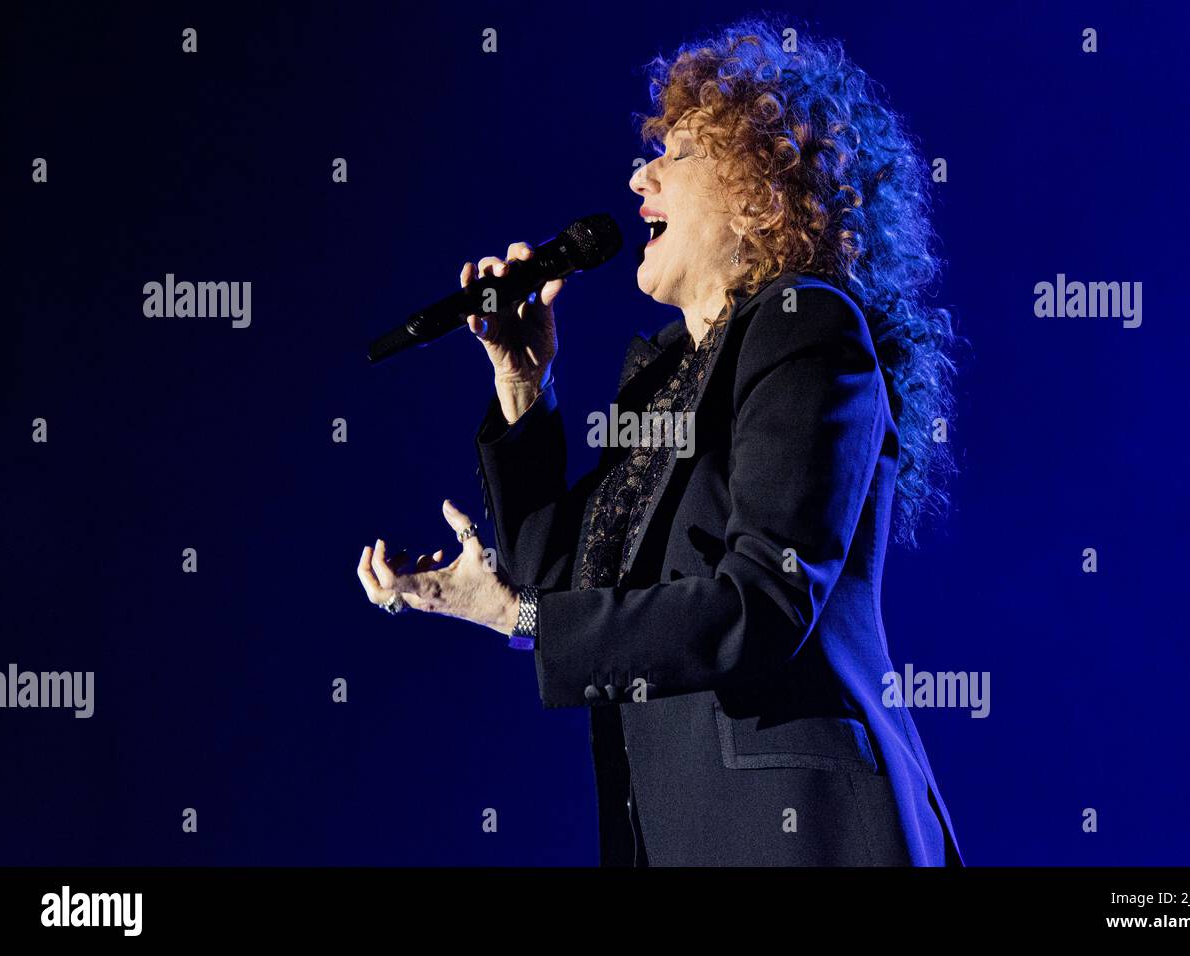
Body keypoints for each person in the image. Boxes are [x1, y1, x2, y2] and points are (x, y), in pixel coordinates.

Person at [357, 17, 963, 866]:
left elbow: (761, 603)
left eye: (674, 154)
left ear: (763, 188)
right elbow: (566, 583)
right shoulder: (667, 374)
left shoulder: (807, 328)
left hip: (802, 835)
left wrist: (517, 613)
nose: (640, 174)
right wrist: (522, 385)